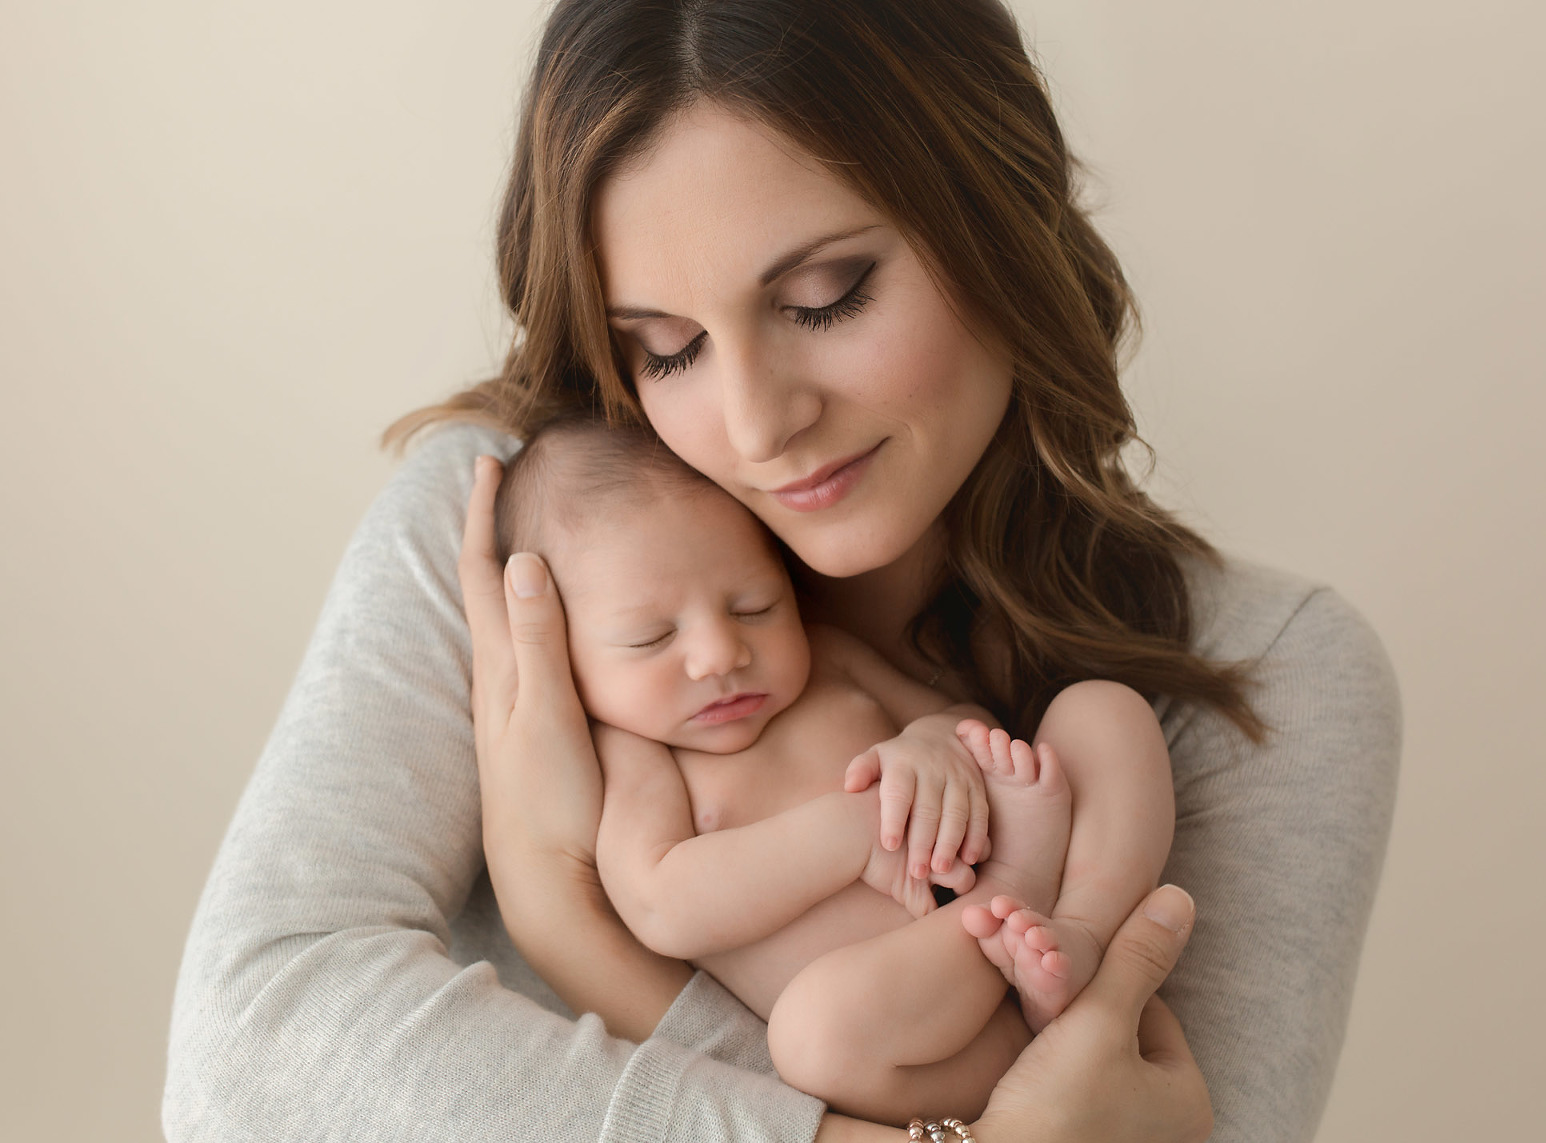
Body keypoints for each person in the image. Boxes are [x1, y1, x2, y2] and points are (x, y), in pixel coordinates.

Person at [164, 2, 1401, 1141]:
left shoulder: (1277, 672)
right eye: (668, 348)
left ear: (1001, 221)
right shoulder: (516, 544)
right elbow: (243, 1062)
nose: (754, 426)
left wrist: (577, 932)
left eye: (825, 296)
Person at [485, 417, 1175, 1123]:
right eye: (651, 636)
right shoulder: (637, 751)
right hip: (920, 1021)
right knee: (812, 1036)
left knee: (1102, 711)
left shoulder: (826, 657)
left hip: (1042, 930)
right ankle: (1014, 899)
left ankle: (1085, 930)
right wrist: (854, 830)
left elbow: (969, 722)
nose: (721, 652)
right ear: (562, 650)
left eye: (755, 605)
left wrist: (932, 742)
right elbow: (662, 901)